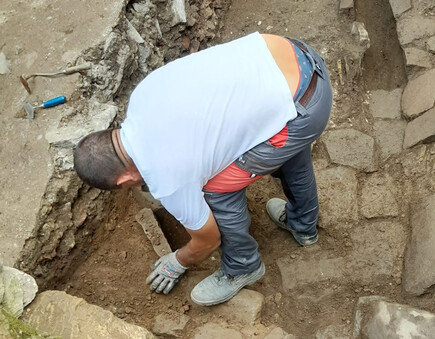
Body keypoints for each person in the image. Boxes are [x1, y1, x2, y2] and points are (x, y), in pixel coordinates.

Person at [73, 32, 332, 306]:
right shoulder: (141, 96)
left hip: (302, 110)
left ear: (124, 177)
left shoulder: (168, 180)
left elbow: (207, 239)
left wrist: (178, 261)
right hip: (296, 60)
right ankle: (303, 226)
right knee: (280, 130)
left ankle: (242, 266)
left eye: (125, 186)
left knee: (213, 189)